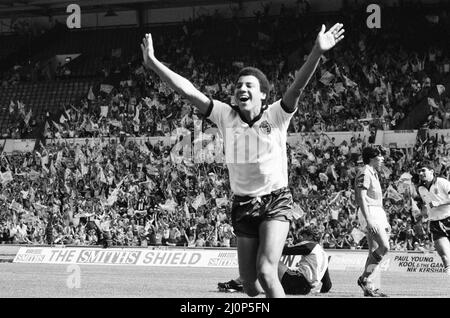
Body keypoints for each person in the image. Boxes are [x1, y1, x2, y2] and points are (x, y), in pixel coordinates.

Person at [141, 23, 344, 298]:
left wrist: (317, 52)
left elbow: (296, 88)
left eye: (249, 85)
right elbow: (188, 92)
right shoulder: (225, 114)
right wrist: (153, 63)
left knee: (266, 271)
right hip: (243, 205)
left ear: (262, 94)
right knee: (250, 288)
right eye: (238, 85)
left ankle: (286, 269)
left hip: (275, 200)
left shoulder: (277, 115)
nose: (241, 88)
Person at [217, 227, 332, 295]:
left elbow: (283, 251)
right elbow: (327, 285)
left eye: (302, 236)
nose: (299, 239)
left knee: (266, 259)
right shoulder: (322, 254)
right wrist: (317, 294)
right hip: (304, 289)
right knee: (270, 276)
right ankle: (242, 286)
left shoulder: (310, 245)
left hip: (297, 281)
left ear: (310, 237)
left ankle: (236, 283)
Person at [354, 146, 389, 297]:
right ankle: (364, 278)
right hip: (370, 211)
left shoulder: (373, 173)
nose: (383, 160)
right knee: (384, 247)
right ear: (372, 158)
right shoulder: (365, 172)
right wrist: (369, 219)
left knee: (373, 251)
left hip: (376, 211)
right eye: (380, 157)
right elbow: (361, 197)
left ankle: (369, 287)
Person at [415, 161, 450, 275]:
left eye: (423, 170)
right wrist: (424, 212)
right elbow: (427, 205)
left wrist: (438, 204)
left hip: (449, 218)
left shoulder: (443, 182)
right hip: (435, 223)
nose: (420, 173)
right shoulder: (420, 188)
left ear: (431, 171)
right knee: (444, 256)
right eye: (419, 171)